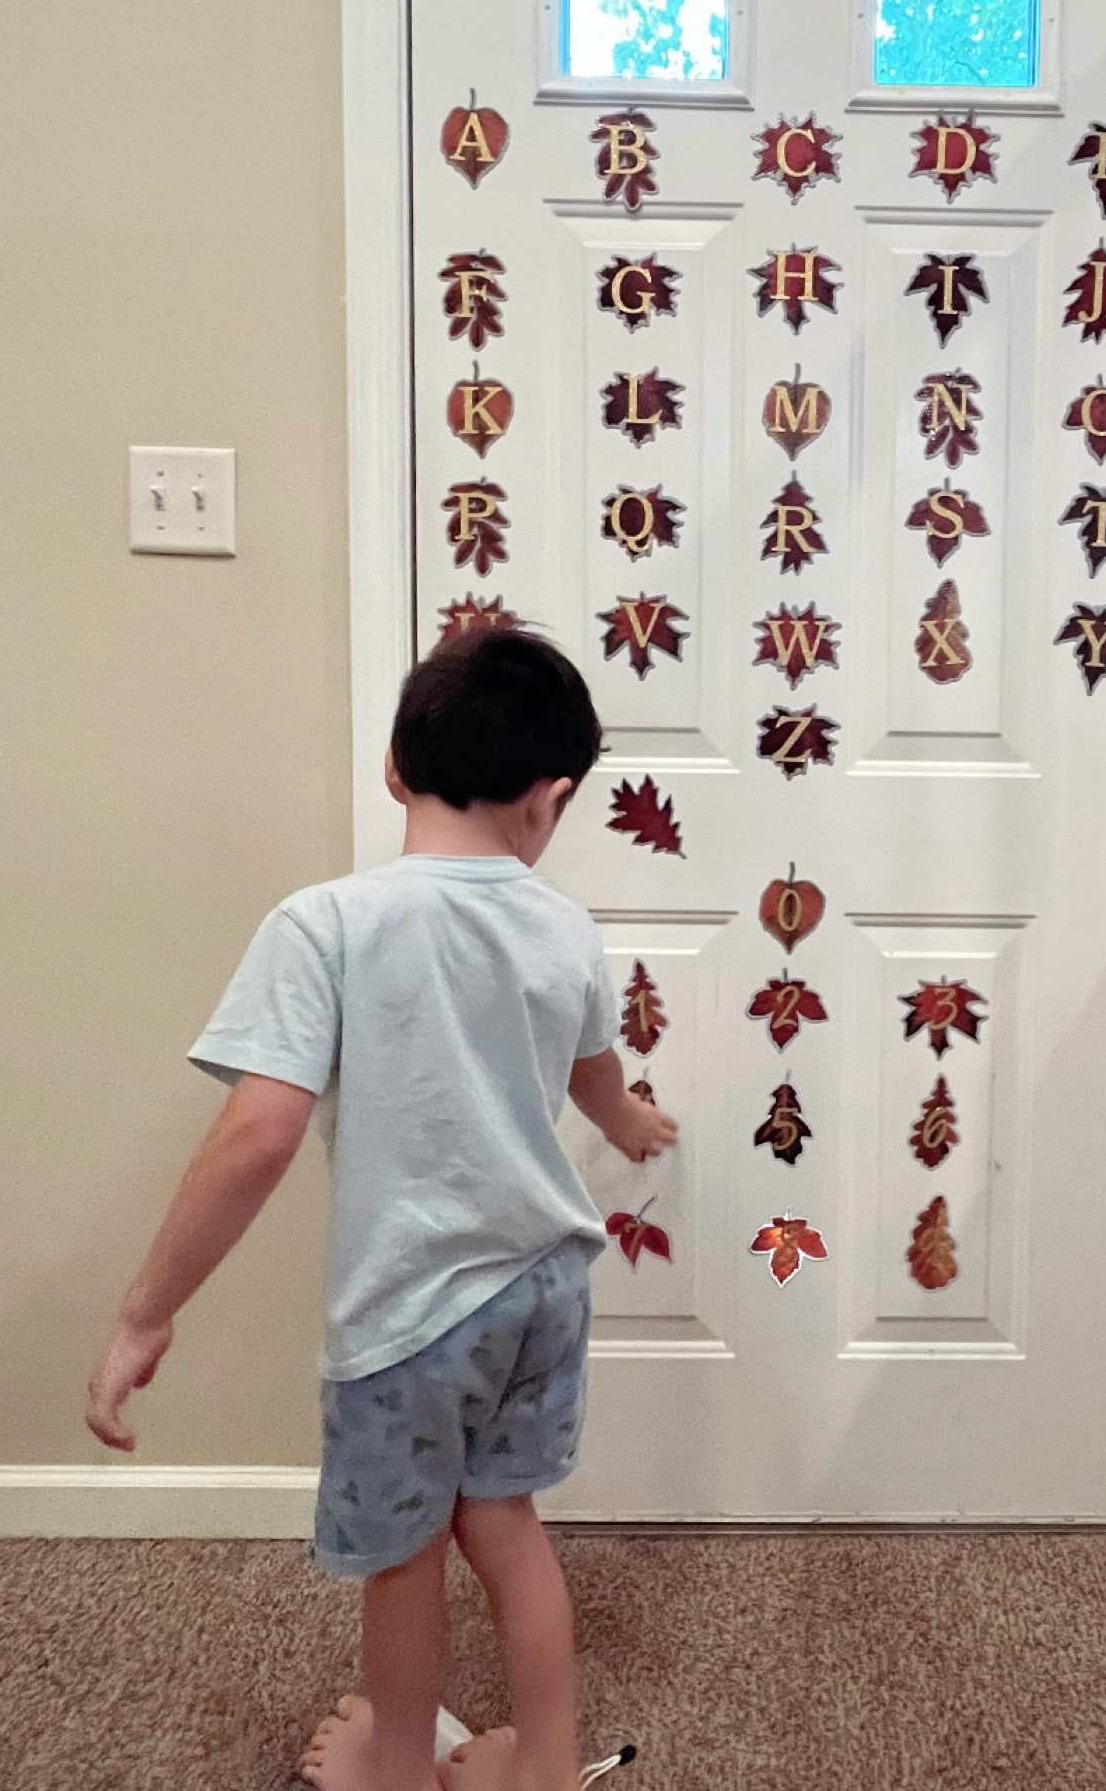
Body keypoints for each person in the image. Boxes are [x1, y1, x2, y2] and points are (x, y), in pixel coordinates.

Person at [86, 627, 677, 1791]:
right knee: (504, 1526)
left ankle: (399, 1770)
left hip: (411, 1314)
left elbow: (259, 1130)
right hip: (545, 1287)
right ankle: (547, 1766)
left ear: (395, 766)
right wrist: (631, 1127)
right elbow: (594, 1074)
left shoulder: (329, 923)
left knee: (402, 1556)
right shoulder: (564, 926)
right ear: (552, 798)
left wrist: (146, 1313)